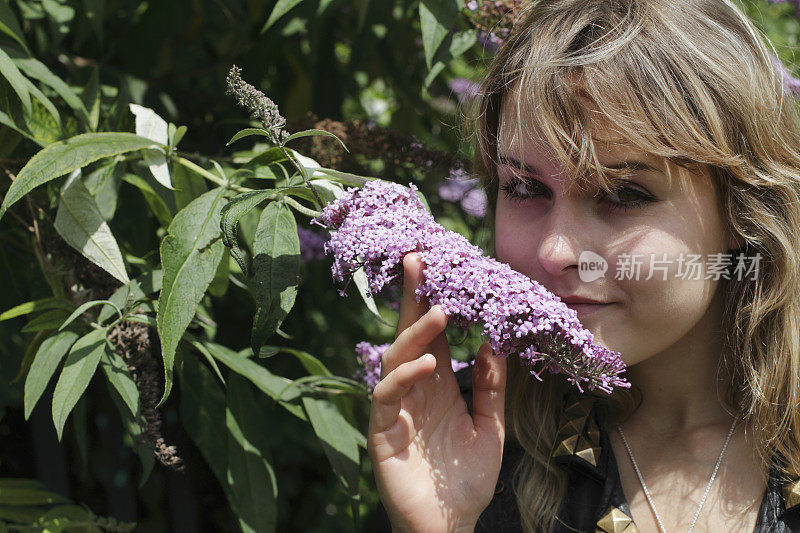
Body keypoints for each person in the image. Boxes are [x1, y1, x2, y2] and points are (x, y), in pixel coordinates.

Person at [367, 0, 800, 531]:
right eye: (525, 188)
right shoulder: (465, 447)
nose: (555, 252)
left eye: (623, 193)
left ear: (741, 211)